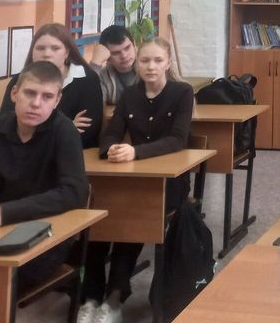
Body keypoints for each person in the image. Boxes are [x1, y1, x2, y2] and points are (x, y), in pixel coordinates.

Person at [0, 61, 89, 289]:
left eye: (47, 97)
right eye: (30, 93)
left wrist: (3, 213)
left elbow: (74, 193)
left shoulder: (64, 131)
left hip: (48, 230)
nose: (36, 103)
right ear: (14, 93)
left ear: (57, 101)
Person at [78, 37, 194, 323]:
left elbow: (177, 140)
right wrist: (111, 149)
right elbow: (110, 133)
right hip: (131, 176)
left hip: (169, 182)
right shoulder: (130, 94)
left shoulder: (182, 92)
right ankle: (90, 298)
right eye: (145, 61)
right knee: (97, 218)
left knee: (132, 218)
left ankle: (114, 298)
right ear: (137, 65)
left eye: (157, 60)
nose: (151, 66)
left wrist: (136, 152)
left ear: (167, 63)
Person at [0, 23, 103, 148]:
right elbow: (5, 126)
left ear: (66, 52)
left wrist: (33, 131)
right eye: (40, 48)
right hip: (22, 152)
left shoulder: (87, 80)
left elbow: (87, 133)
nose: (47, 54)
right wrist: (68, 127)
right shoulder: (19, 80)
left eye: (55, 48)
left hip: (73, 153)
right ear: (32, 52)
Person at [95, 24, 138, 104]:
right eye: (116, 53)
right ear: (107, 56)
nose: (124, 56)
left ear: (134, 44)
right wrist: (95, 63)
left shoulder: (150, 68)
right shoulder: (103, 75)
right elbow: (92, 104)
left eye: (127, 48)